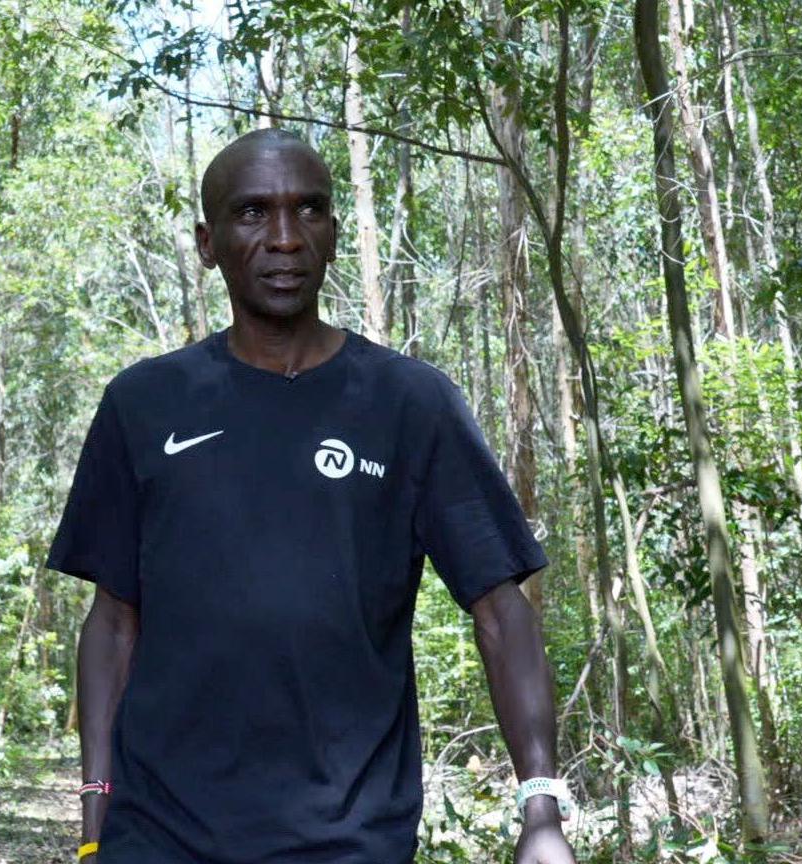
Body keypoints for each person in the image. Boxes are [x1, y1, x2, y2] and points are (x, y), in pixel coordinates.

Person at [45, 127, 578, 864]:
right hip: (159, 837)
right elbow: (111, 625)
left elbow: (501, 611)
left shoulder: (410, 404)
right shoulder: (144, 405)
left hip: (350, 839)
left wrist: (540, 813)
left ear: (332, 231)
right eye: (253, 213)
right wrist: (95, 814)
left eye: (309, 210)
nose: (286, 237)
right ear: (208, 243)